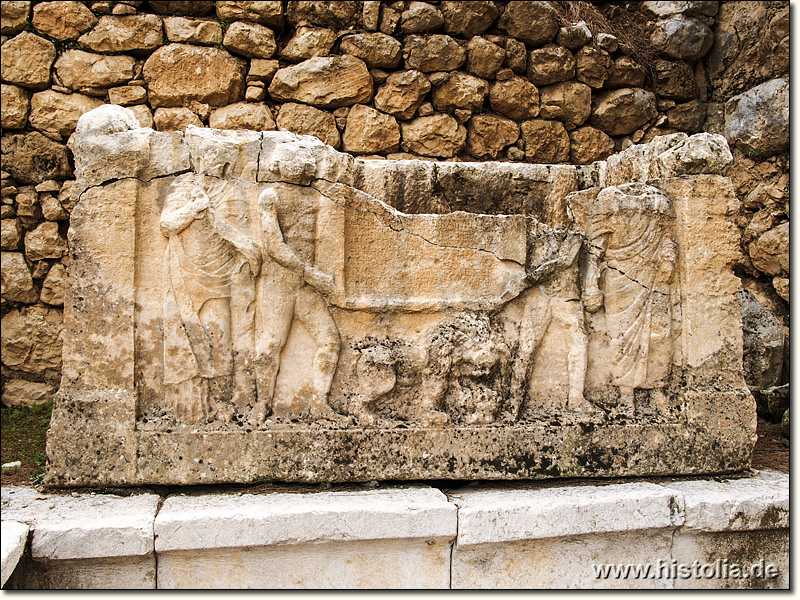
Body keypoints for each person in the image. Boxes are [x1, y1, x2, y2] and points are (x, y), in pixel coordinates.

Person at [160, 174, 261, 423]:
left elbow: (236, 230)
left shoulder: (232, 188)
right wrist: (195, 207)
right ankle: (188, 404)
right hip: (184, 274)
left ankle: (221, 402)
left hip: (220, 275)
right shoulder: (183, 187)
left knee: (220, 339)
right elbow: (167, 225)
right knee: (185, 337)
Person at [248, 182, 341, 423]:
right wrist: (309, 273)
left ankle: (319, 402)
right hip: (279, 286)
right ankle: (262, 403)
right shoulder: (270, 195)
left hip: (306, 288)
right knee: (270, 345)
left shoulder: (315, 195)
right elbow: (273, 245)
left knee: (330, 340)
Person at [583, 183, 678, 416]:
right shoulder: (608, 200)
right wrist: (590, 284)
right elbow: (594, 250)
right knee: (620, 337)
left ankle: (657, 390)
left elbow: (667, 235)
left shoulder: (659, 201)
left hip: (654, 275)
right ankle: (626, 395)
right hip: (618, 279)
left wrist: (668, 258)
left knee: (660, 335)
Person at [509, 224, 600, 420]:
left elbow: (566, 260)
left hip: (566, 298)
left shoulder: (574, 238)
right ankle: (513, 405)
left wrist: (534, 276)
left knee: (579, 343)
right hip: (541, 298)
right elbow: (534, 267)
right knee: (526, 347)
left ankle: (576, 400)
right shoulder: (537, 241)